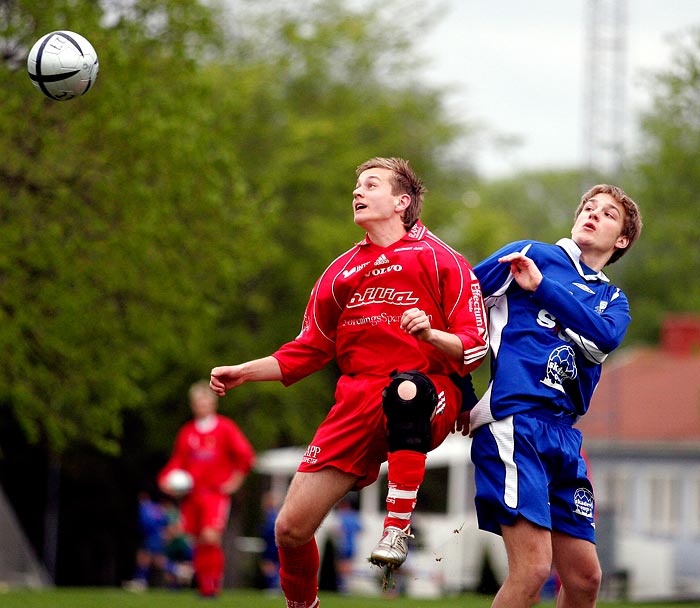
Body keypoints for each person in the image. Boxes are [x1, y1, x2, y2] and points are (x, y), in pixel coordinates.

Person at [210, 157, 488, 608]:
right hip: (356, 401)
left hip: (430, 390)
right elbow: (307, 350)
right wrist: (245, 371)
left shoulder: (443, 259)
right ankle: (304, 605)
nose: (357, 192)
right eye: (356, 186)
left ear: (402, 201)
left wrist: (430, 335)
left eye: (370, 184)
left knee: (407, 390)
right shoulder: (340, 272)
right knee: (290, 529)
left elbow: (476, 347)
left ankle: (396, 529)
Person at [465, 184, 642, 608]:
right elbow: (458, 302)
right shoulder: (531, 254)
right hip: (516, 419)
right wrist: (459, 387)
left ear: (622, 241)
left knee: (585, 578)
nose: (593, 213)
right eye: (587, 206)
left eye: (608, 213)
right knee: (531, 570)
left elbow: (606, 336)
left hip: (563, 434)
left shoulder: (612, 298)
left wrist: (542, 289)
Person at [158, 380, 255, 598]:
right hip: (192, 495)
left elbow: (245, 456)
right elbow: (178, 462)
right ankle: (204, 586)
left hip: (215, 494)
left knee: (210, 536)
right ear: (193, 405)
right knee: (198, 540)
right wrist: (165, 479)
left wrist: (235, 481)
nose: (201, 405)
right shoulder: (187, 432)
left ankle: (213, 585)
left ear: (213, 404)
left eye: (205, 401)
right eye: (197, 402)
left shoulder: (225, 428)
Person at [124, 491, 169, 591]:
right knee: (155, 559)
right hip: (158, 536)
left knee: (146, 558)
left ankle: (140, 582)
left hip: (151, 536)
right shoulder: (158, 507)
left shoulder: (145, 507)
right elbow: (164, 521)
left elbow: (144, 523)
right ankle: (140, 581)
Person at [332, 495, 362, 594]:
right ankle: (346, 586)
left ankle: (343, 587)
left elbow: (338, 531)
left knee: (341, 566)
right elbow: (360, 530)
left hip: (343, 545)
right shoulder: (354, 516)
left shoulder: (342, 516)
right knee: (348, 566)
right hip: (352, 545)